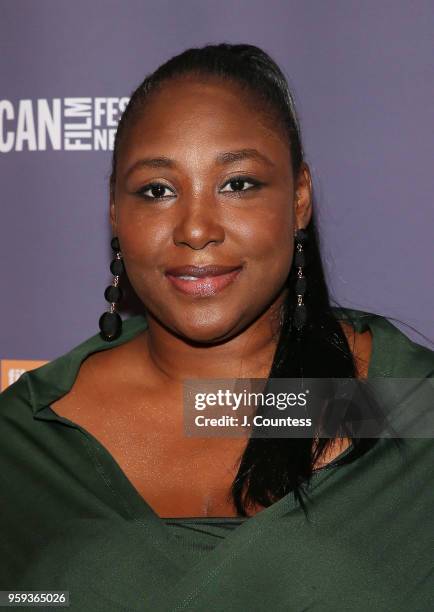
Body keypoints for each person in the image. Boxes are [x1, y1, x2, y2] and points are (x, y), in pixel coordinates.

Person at [1, 43, 433, 612]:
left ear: (299, 199)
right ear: (114, 210)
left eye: (237, 184)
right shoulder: (27, 443)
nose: (197, 228)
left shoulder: (406, 405)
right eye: (157, 190)